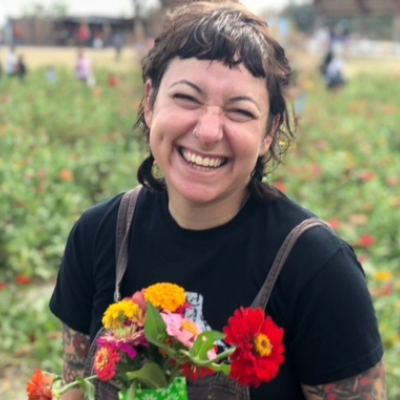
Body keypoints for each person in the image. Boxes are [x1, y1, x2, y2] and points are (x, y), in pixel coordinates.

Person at [49, 1, 386, 400]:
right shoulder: (98, 235)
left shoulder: (317, 269)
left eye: (239, 111)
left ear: (269, 133)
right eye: (187, 98)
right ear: (150, 101)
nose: (208, 131)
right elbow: (71, 390)